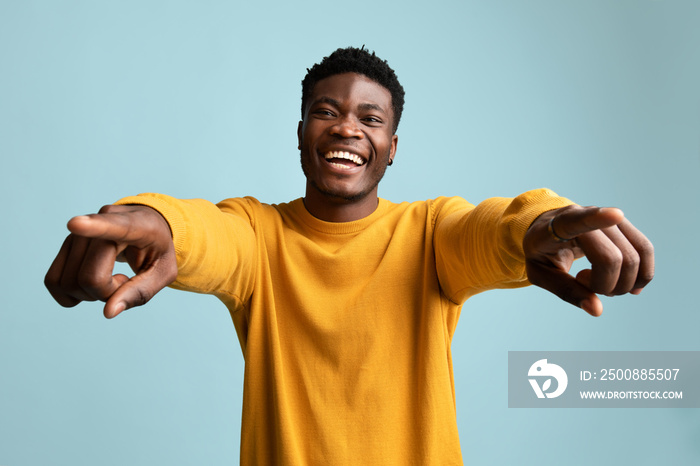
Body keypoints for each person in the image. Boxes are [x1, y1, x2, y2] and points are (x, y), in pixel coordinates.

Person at [45, 47, 654, 464]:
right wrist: (151, 221)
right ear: (303, 131)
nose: (346, 128)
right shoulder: (260, 235)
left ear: (392, 148)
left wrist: (545, 224)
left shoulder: (431, 234)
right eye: (326, 112)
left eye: (370, 118)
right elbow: (206, 232)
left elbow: (491, 228)